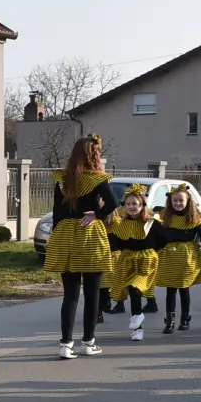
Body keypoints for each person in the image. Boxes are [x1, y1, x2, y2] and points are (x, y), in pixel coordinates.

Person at [43, 136, 118, 359]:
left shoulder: (62, 179)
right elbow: (114, 203)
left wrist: (55, 237)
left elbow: (56, 210)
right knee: (92, 292)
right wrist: (97, 214)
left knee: (70, 294)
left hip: (65, 234)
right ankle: (88, 342)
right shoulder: (97, 179)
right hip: (89, 234)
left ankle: (66, 344)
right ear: (93, 155)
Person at [151, 184, 201, 333]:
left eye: (181, 200)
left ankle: (185, 319)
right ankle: (170, 321)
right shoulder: (164, 217)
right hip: (169, 257)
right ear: (170, 202)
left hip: (187, 257)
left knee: (184, 289)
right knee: (171, 289)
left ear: (188, 201)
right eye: (175, 201)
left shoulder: (194, 218)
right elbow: (156, 237)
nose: (178, 204)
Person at [105, 183, 158, 342]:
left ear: (142, 205)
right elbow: (113, 241)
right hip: (127, 262)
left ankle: (138, 326)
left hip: (146, 263)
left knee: (135, 289)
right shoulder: (121, 224)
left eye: (135, 204)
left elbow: (165, 237)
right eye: (128, 204)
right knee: (132, 291)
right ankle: (138, 326)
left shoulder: (151, 222)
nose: (131, 207)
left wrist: (154, 251)